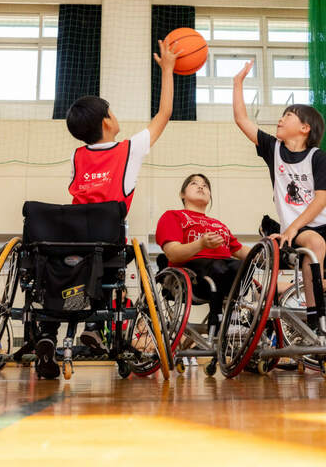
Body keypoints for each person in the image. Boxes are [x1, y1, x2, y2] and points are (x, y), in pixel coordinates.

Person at [33, 39, 177, 378]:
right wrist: (168, 70)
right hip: (105, 242)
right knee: (109, 264)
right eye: (112, 111)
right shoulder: (130, 149)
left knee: (63, 277)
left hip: (65, 239)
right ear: (108, 121)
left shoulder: (78, 155)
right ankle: (95, 328)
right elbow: (165, 114)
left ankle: (48, 336)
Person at [231, 60, 326, 347]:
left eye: (287, 115)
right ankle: (314, 318)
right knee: (314, 245)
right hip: (300, 227)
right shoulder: (273, 149)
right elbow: (242, 120)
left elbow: (321, 198)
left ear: (305, 128)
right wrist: (238, 83)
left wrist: (293, 226)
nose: (280, 119)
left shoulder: (319, 157)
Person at [156, 173, 249, 314]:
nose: (201, 186)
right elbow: (172, 253)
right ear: (182, 194)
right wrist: (200, 244)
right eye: (194, 183)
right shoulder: (173, 216)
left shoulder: (219, 225)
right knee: (220, 267)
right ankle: (218, 318)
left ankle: (234, 315)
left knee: (243, 266)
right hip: (193, 277)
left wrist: (268, 253)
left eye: (205, 185)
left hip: (225, 272)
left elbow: (241, 251)